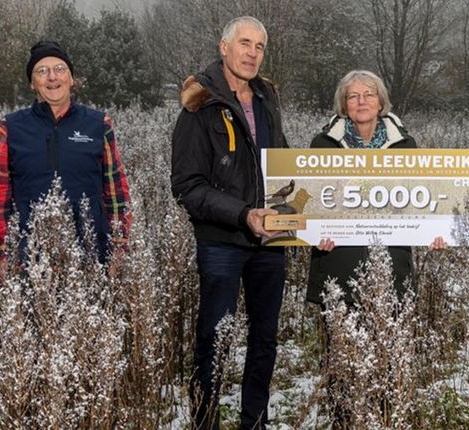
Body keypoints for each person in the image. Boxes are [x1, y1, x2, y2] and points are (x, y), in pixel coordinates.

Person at [169, 16, 288, 430]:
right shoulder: (199, 104)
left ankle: (255, 422)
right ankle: (205, 422)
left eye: (260, 46)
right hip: (222, 241)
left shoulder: (267, 99)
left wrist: (307, 217)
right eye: (245, 43)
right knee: (214, 341)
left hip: (271, 242)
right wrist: (243, 215)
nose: (252, 53)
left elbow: (282, 167)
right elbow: (187, 185)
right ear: (224, 47)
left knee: (265, 340)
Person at [0, 41, 132, 278]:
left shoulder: (98, 124)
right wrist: (2, 253)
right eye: (42, 71)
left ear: (72, 79)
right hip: (29, 256)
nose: (52, 77)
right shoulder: (9, 128)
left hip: (91, 255)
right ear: (32, 83)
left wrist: (119, 247)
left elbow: (116, 192)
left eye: (60, 69)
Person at [305, 70, 446, 306]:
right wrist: (313, 233)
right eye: (353, 96)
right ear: (344, 104)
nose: (362, 101)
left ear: (380, 102)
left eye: (369, 94)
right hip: (338, 263)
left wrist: (437, 230)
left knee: (390, 340)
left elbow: (419, 201)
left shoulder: (405, 145)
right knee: (341, 342)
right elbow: (310, 201)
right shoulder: (323, 144)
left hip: (392, 265)